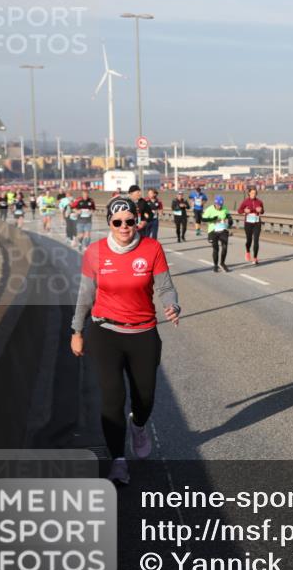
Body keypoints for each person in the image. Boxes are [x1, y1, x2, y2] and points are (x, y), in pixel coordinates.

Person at [70, 197, 180, 484]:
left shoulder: (151, 248)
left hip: (143, 332)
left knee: (145, 397)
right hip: (105, 332)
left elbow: (166, 286)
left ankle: (139, 426)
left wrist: (173, 305)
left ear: (137, 221)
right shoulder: (94, 252)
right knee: (112, 398)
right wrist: (77, 331)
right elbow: (84, 296)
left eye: (129, 221)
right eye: (117, 222)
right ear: (109, 222)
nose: (124, 227)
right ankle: (118, 460)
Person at [202, 195, 233, 272]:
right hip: (213, 231)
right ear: (215, 203)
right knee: (216, 248)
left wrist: (230, 219)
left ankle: (222, 263)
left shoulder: (224, 208)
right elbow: (203, 219)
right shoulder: (209, 209)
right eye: (218, 205)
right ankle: (215, 265)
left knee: (225, 247)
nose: (219, 207)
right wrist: (212, 219)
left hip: (223, 229)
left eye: (221, 205)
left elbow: (228, 215)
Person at [238, 187, 265, 264]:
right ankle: (247, 251)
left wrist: (261, 210)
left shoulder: (259, 202)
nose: (254, 194)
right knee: (249, 240)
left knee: (256, 240)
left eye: (255, 193)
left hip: (257, 223)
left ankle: (255, 258)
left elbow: (263, 211)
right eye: (252, 193)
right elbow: (239, 210)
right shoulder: (245, 202)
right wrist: (244, 211)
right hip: (248, 223)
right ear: (249, 193)